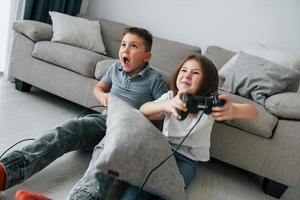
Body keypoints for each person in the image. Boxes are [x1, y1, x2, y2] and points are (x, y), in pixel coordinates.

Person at [0, 27, 168, 200]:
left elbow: (162, 113)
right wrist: (103, 96)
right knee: (68, 129)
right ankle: (7, 171)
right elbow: (99, 88)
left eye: (133, 46)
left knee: (106, 156)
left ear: (147, 56)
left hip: (128, 133)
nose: (125, 49)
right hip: (104, 120)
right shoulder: (115, 68)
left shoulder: (155, 80)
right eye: (123, 44)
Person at [120, 54, 259, 200]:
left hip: (187, 159)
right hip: (162, 149)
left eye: (196, 72)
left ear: (207, 82)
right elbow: (143, 109)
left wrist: (234, 110)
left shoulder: (211, 104)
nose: (187, 75)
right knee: (140, 184)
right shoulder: (171, 97)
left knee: (171, 189)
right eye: (184, 70)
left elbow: (254, 112)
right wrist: (165, 105)